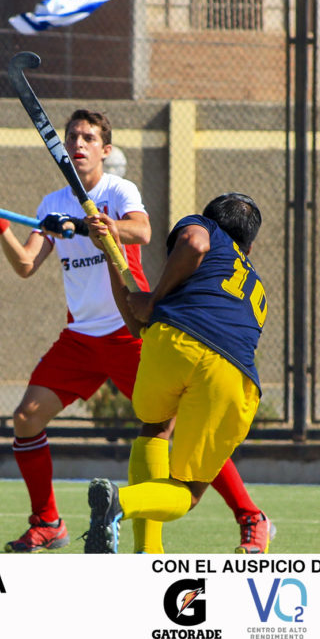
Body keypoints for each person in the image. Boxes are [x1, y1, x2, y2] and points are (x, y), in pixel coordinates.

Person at [0, 110, 272, 554]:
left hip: (130, 330)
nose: (78, 143)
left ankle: (248, 515)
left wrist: (93, 227)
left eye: (88, 137)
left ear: (105, 151)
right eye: (72, 136)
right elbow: (27, 265)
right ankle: (48, 522)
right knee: (26, 417)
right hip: (81, 336)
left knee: (180, 428)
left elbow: (142, 232)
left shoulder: (117, 190)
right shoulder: (52, 204)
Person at [82, 193, 267, 554]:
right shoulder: (255, 286)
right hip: (230, 372)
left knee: (153, 428)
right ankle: (121, 502)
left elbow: (139, 324)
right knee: (188, 493)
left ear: (210, 217)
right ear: (249, 245)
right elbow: (195, 247)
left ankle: (146, 551)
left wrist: (112, 254)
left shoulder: (204, 226)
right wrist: (146, 293)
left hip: (172, 344)